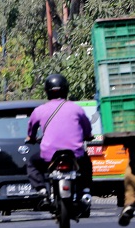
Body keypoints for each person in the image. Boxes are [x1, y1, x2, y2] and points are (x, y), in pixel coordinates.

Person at [25, 73, 93, 207]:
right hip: (75, 154)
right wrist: (87, 136)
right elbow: (87, 130)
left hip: (49, 155)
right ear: (66, 90)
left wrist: (31, 138)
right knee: (86, 163)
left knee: (32, 163)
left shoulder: (39, 110)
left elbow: (31, 131)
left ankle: (42, 189)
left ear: (46, 92)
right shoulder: (76, 108)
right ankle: (85, 191)